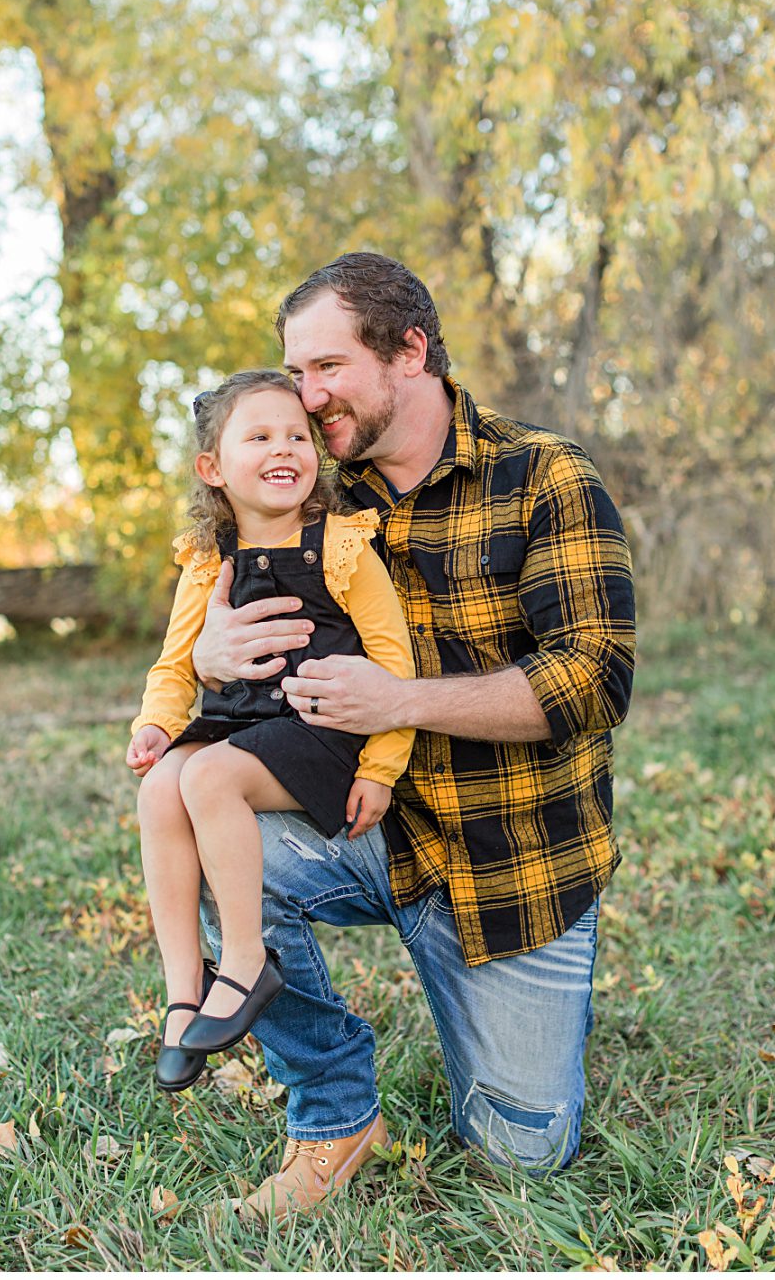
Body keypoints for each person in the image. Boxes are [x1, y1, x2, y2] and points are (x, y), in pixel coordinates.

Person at [188, 253, 636, 1219]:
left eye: (325, 368)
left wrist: (400, 700)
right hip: (364, 829)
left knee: (523, 1155)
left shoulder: (545, 475)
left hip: (512, 868)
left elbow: (595, 678)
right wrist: (209, 653)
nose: (305, 400)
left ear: (410, 350)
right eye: (294, 374)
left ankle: (510, 1011)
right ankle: (336, 1107)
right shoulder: (312, 496)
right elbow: (201, 607)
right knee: (206, 832)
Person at [127, 370, 416, 1095]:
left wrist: (382, 765)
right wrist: (156, 725)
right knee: (163, 788)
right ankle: (183, 990)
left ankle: (247, 962)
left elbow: (394, 661)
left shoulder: (342, 546)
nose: (284, 448)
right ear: (213, 467)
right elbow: (176, 663)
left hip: (323, 730)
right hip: (244, 722)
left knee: (208, 776)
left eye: (297, 435)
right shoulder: (206, 558)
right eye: (258, 436)